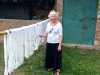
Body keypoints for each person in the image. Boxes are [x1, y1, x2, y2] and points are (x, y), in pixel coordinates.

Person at [44, 10, 63, 75]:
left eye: (53, 17)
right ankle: (51, 66)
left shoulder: (59, 24)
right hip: (49, 42)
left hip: (56, 43)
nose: (52, 18)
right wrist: (45, 41)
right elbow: (46, 33)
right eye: (51, 17)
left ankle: (57, 70)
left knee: (57, 56)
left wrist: (59, 45)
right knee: (50, 55)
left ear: (55, 17)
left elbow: (60, 35)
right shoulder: (48, 24)